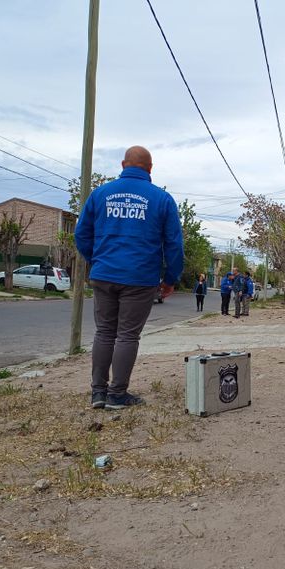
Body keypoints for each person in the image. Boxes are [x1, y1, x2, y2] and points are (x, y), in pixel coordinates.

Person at [75, 145, 184, 410]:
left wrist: (97, 260)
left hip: (104, 274)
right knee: (126, 336)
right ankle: (117, 394)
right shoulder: (162, 199)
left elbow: (81, 235)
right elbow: (174, 244)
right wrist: (170, 278)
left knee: (104, 332)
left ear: (123, 165)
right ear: (150, 168)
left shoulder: (100, 194)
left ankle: (98, 393)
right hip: (140, 277)